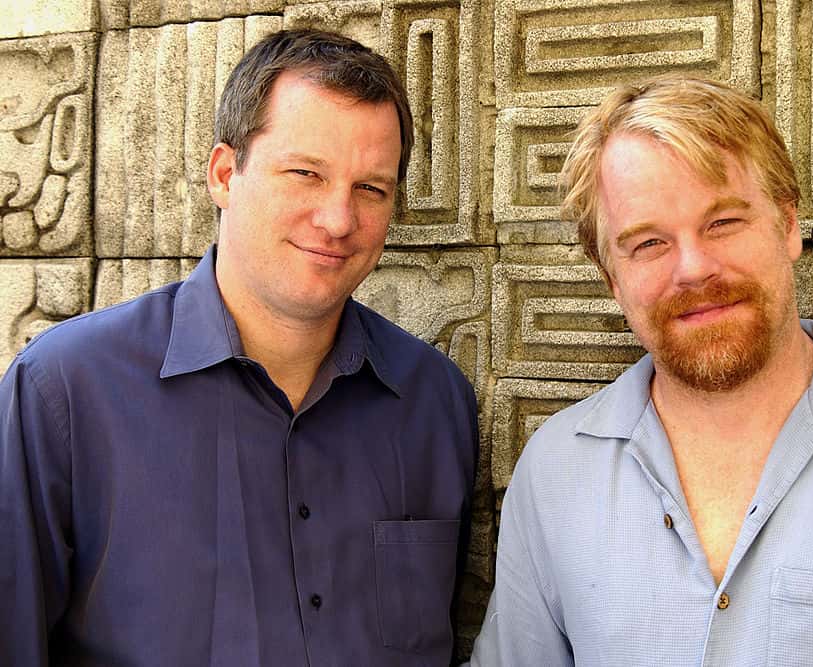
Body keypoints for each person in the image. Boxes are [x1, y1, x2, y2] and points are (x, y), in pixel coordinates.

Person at [470, 75, 813, 665]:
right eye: (649, 243)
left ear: (789, 226)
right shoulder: (555, 470)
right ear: (611, 277)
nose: (694, 268)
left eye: (724, 223)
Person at [1, 29, 478, 666]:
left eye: (371, 188)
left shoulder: (436, 403)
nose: (338, 219)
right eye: (305, 174)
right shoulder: (64, 390)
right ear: (226, 174)